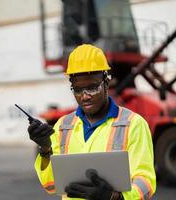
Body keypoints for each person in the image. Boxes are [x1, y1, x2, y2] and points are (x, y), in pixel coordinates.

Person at [28, 44, 156, 200]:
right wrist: (45, 149)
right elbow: (50, 185)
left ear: (106, 83)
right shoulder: (63, 126)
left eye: (92, 87)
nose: (85, 96)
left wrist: (114, 197)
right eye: (78, 89)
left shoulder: (133, 124)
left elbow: (146, 182)